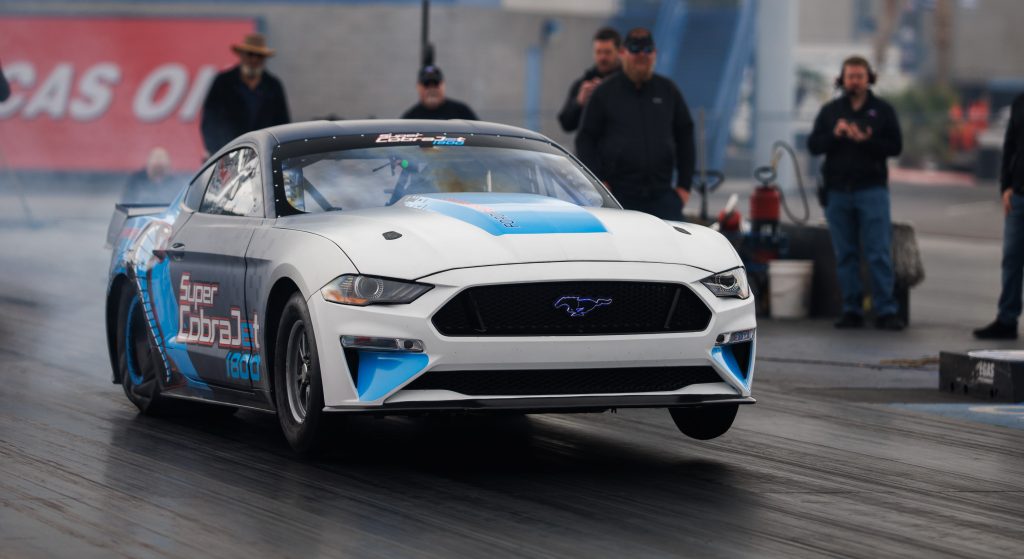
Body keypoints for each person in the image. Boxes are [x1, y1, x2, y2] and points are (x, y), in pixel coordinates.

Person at [807, 55, 904, 330]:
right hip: (838, 192)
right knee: (845, 254)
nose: (855, 81)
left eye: (860, 76)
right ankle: (851, 309)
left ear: (869, 78)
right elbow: (814, 146)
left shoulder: (882, 110)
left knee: (878, 252)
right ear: (842, 78)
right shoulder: (831, 111)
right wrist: (835, 135)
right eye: (850, 76)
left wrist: (867, 140)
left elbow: (896, 146)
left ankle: (886, 310)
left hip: (871, 190)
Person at [575, 28, 694, 220]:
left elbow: (685, 135)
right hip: (618, 198)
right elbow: (585, 139)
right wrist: (598, 183)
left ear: (654, 54)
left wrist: (684, 187)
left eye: (647, 50)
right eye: (635, 49)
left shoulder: (668, 91)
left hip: (663, 197)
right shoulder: (605, 92)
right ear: (623, 53)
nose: (641, 55)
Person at [974, 92, 1024, 339]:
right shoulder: (1020, 101)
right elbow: (1011, 145)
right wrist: (1006, 186)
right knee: (1012, 259)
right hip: (1019, 196)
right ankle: (1007, 319)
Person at [200, 33, 290, 156]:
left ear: (263, 59)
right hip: (228, 153)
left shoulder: (273, 86)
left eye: (259, 56)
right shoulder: (223, 82)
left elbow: (283, 124)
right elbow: (209, 122)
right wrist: (218, 153)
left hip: (264, 154)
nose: (254, 60)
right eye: (250, 54)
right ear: (242, 55)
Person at [557, 27, 621, 133]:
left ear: (619, 52)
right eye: (598, 52)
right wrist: (579, 102)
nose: (602, 57)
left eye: (608, 52)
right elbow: (566, 124)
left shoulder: (630, 82)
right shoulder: (583, 84)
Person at [401, 65, 478, 120]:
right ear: (418, 87)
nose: (432, 89)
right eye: (426, 85)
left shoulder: (462, 113)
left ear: (443, 85)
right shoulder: (410, 119)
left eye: (436, 84)